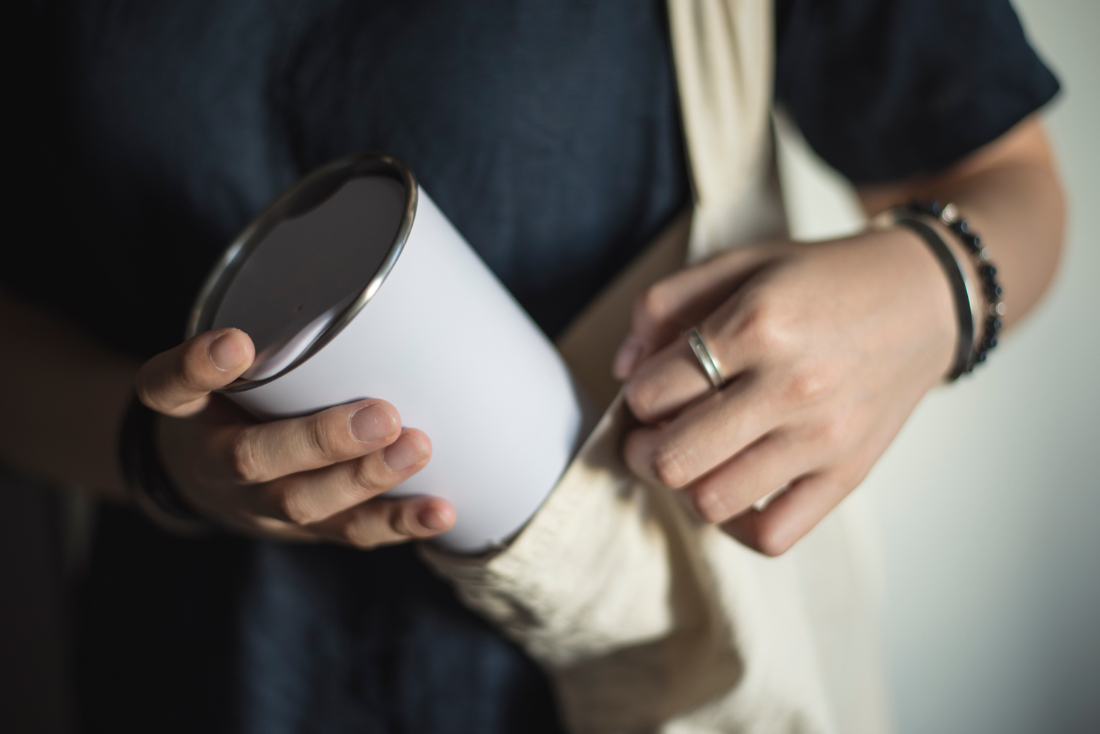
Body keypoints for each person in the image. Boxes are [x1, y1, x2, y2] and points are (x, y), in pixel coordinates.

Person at [2, 0, 1062, 731]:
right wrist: (163, 454)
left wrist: (931, 288)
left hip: (656, 661)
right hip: (205, 672)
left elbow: (1007, 184)